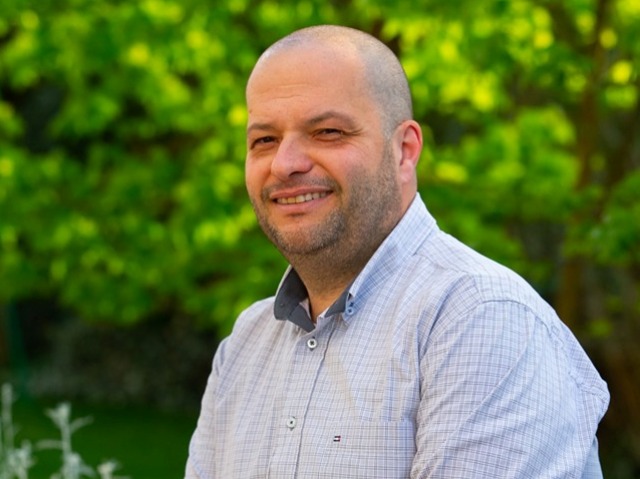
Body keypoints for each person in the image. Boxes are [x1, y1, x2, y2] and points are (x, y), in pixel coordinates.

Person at [185, 25, 609, 478]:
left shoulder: (482, 319)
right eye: (264, 140)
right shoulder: (245, 345)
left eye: (327, 132)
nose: (285, 163)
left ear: (404, 151)